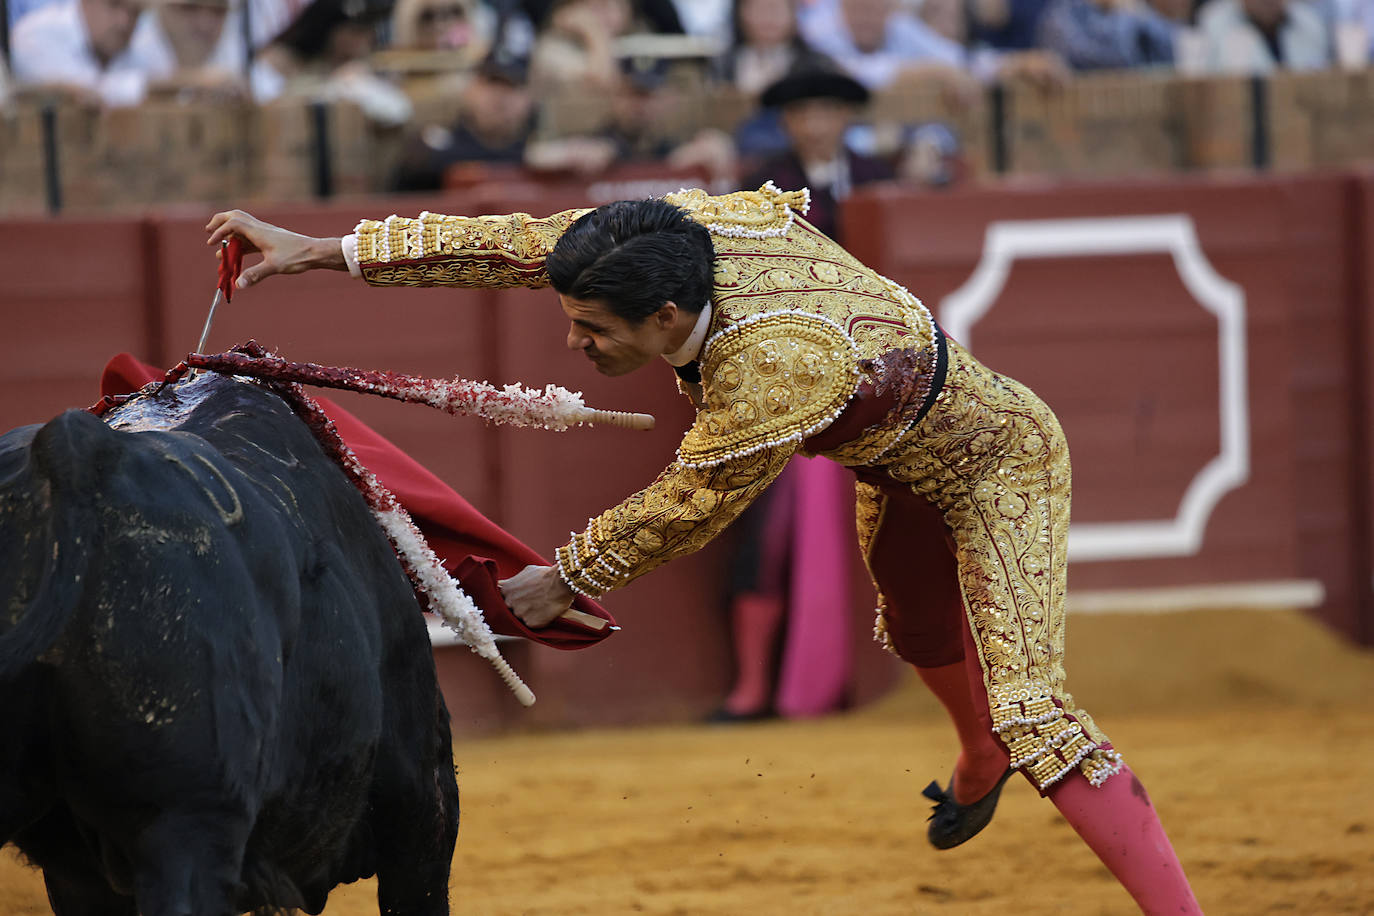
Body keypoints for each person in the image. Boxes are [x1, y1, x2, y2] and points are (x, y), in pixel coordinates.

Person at [204, 183, 1204, 914]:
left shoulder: (777, 364)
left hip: (999, 468)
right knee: (915, 623)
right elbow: (507, 241)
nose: (574, 345)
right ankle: (977, 749)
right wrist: (317, 249)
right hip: (895, 463)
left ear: (670, 318)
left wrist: (568, 577)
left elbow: (695, 500)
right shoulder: (679, 235)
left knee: (1039, 715)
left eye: (595, 329)